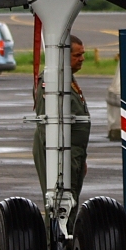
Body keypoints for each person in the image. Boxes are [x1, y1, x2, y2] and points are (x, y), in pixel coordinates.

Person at [33, 34, 89, 235]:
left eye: (83, 54)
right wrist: (56, 160)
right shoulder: (51, 82)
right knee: (59, 202)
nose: (82, 59)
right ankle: (55, 246)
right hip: (57, 151)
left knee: (71, 199)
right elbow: (46, 124)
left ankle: (68, 242)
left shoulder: (67, 80)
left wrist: (80, 158)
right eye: (77, 55)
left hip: (72, 152)